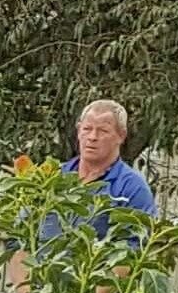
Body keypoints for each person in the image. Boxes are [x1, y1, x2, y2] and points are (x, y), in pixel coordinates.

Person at [67, 98, 158, 230]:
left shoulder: (132, 188)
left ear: (121, 135)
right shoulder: (55, 177)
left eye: (103, 131)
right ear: (79, 131)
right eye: (87, 129)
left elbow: (137, 244)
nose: (92, 137)